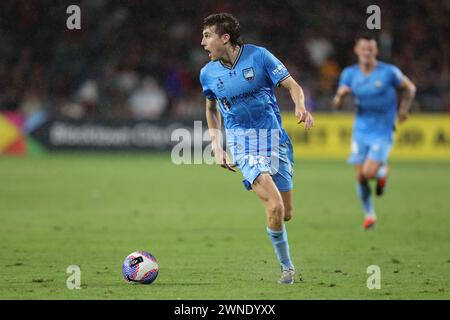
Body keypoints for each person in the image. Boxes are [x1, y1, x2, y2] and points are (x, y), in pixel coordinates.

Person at [199, 13, 314, 284]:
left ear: (224, 38)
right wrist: (217, 146)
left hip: (275, 140)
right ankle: (287, 268)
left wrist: (300, 105)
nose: (202, 42)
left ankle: (280, 240)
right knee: (273, 207)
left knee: (285, 213)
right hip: (243, 142)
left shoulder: (259, 57)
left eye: (207, 36)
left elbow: (292, 85)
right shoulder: (208, 73)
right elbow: (211, 108)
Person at [332, 33, 416, 229]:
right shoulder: (349, 74)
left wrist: (403, 110)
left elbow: (410, 88)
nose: (367, 52)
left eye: (371, 48)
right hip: (360, 129)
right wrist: (340, 97)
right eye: (363, 48)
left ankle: (382, 172)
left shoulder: (389, 72)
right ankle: (370, 215)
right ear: (356, 50)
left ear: (376, 51)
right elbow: (336, 105)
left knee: (369, 172)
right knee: (360, 176)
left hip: (383, 129)